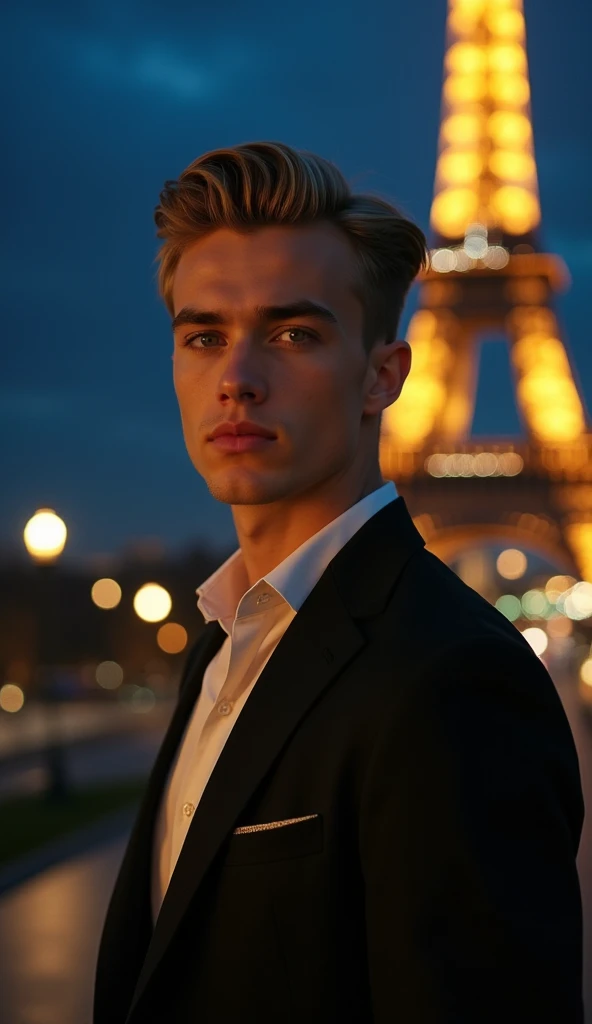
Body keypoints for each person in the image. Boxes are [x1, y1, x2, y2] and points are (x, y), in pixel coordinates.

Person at [94, 141, 585, 1023]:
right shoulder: (220, 648)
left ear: (383, 375)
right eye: (204, 335)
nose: (237, 380)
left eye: (294, 333)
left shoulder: (456, 683)